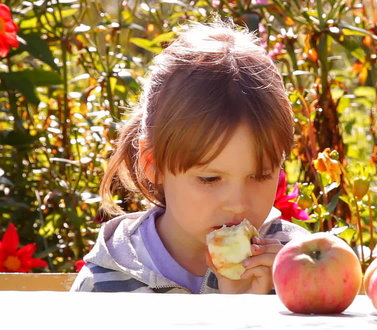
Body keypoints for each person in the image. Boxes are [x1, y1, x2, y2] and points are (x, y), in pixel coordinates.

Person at [71, 21, 309, 294]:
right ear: (154, 164)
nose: (238, 204)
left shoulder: (297, 265)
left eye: (260, 175)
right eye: (210, 178)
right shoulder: (107, 286)